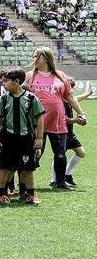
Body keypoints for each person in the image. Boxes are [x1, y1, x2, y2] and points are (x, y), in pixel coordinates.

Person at [25, 47, 87, 190]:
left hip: (58, 122)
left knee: (60, 154)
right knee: (34, 154)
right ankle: (24, 184)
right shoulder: (29, 76)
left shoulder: (60, 76)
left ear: (46, 58)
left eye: (36, 56)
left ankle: (60, 182)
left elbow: (70, 97)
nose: (33, 58)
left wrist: (81, 113)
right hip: (36, 122)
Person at [0, 68, 46, 205]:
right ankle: (1, 195)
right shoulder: (3, 99)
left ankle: (29, 194)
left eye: (6, 81)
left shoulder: (31, 98)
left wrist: (39, 138)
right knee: (3, 167)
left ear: (16, 82)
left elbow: (39, 119)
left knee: (28, 168)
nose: (3, 84)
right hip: (7, 138)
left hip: (25, 138)